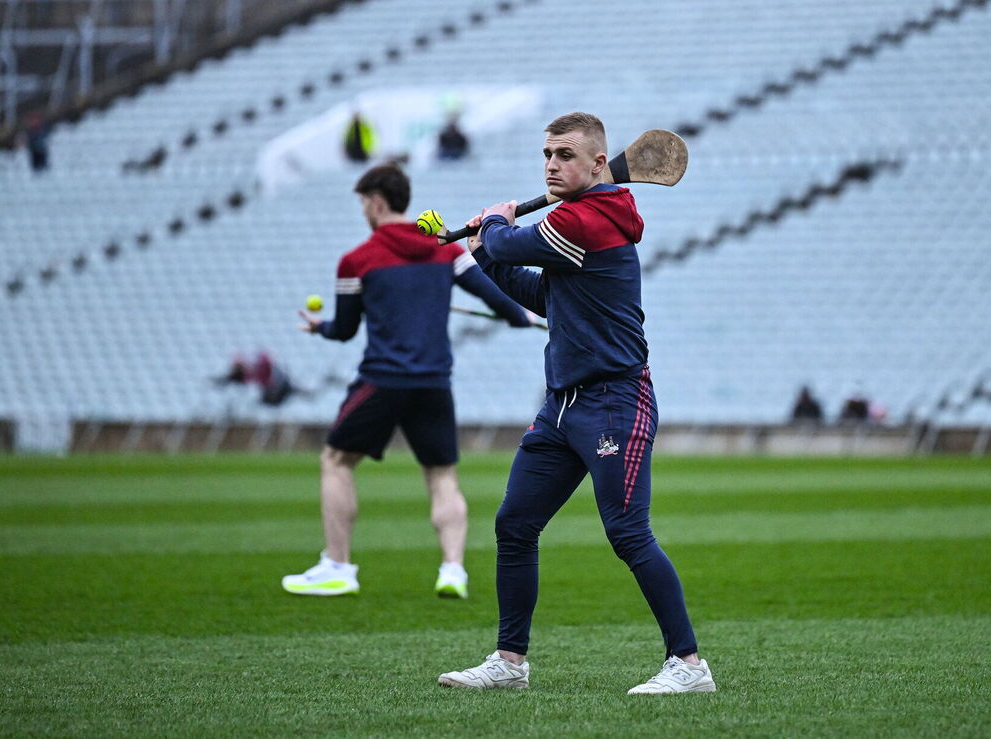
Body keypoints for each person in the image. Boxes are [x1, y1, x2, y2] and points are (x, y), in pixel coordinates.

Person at [437, 112, 716, 694]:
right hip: (563, 406)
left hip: (616, 400)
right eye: (547, 154)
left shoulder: (591, 217)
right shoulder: (578, 224)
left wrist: (492, 224)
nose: (551, 164)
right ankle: (510, 663)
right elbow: (538, 289)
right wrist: (486, 252)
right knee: (515, 524)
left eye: (565, 155)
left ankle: (689, 667)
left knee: (627, 534)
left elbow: (514, 241)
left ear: (598, 164)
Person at [283, 162, 533, 599]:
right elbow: (496, 298)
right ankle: (453, 569)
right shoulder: (444, 249)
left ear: (377, 202)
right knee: (442, 476)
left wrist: (319, 327)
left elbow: (343, 330)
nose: (364, 210)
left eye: (364, 203)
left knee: (336, 460)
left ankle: (338, 565)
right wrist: (519, 317)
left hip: (382, 379)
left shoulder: (356, 261)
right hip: (434, 381)